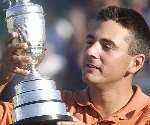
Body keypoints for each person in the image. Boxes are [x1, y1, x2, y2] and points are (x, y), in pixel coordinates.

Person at [0, 6, 150, 125]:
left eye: (107, 46)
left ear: (136, 63)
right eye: (90, 42)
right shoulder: (55, 105)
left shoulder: (146, 115)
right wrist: (3, 74)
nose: (91, 51)